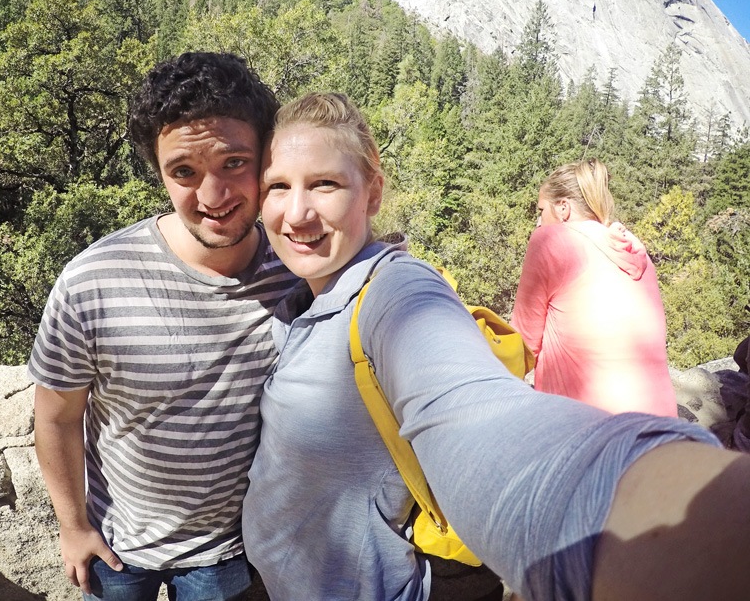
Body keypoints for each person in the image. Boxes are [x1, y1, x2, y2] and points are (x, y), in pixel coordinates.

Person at [242, 92, 749, 601]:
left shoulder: (395, 293)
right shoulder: (296, 297)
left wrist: (671, 511)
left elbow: (475, 416)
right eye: (278, 186)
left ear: (372, 193)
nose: (296, 212)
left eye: (325, 184)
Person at [28, 52, 298, 600]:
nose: (213, 197)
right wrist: (73, 526)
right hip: (117, 546)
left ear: (267, 158)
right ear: (159, 173)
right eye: (184, 172)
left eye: (234, 163)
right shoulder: (93, 281)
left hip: (230, 550)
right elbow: (56, 417)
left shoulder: (298, 272)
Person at [510, 159, 676, 416]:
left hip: (591, 424)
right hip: (660, 424)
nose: (539, 221)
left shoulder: (550, 240)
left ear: (563, 208)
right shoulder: (633, 250)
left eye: (541, 210)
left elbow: (522, 345)